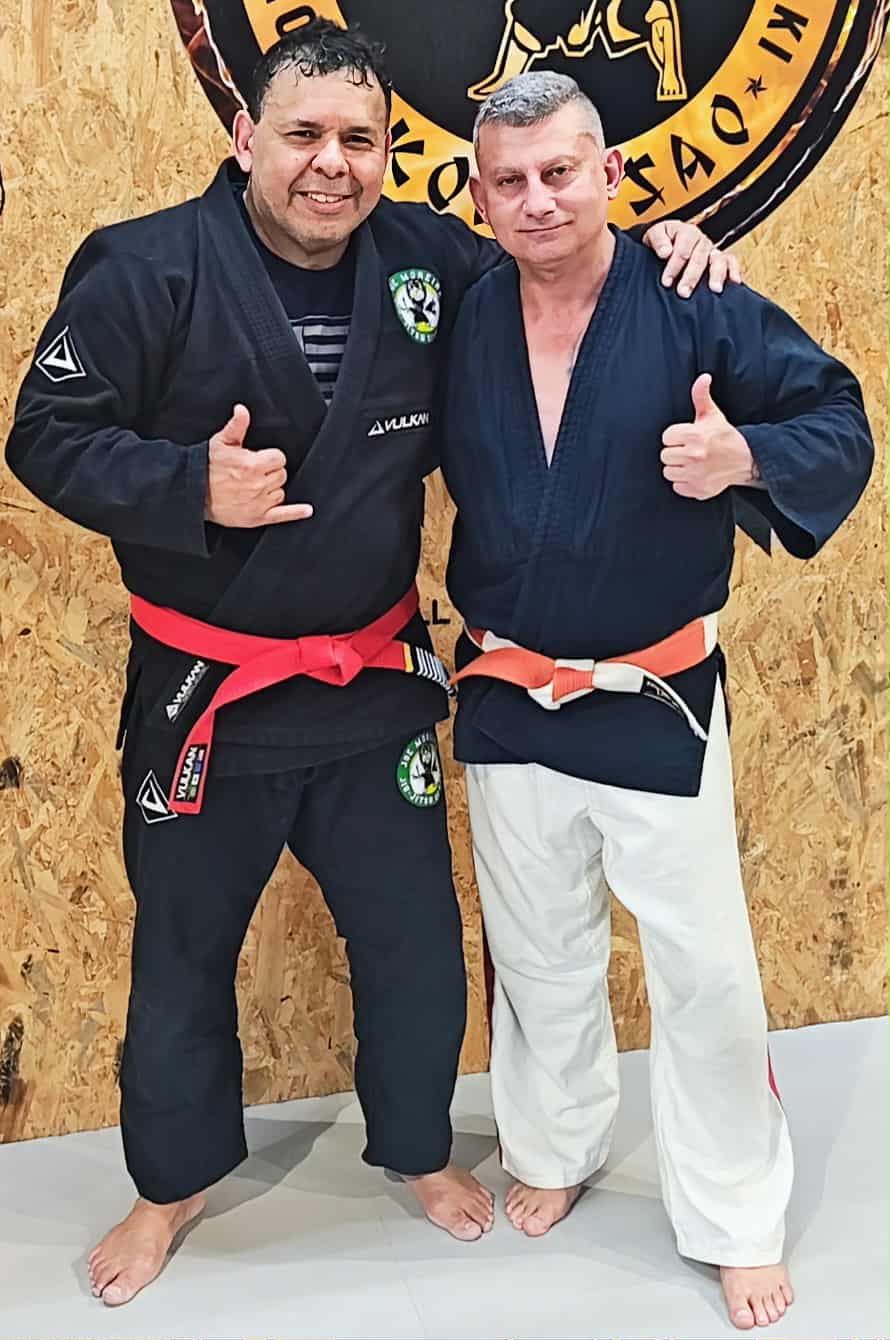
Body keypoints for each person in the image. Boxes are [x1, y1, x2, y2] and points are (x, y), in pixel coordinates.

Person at [5, 19, 737, 1308]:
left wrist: (671, 250)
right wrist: (185, 484)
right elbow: (44, 434)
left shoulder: (430, 259)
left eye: (360, 139)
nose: (331, 163)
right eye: (302, 134)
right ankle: (167, 1187)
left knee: (414, 952)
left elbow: (561, 262)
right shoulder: (144, 266)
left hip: (375, 685)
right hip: (208, 700)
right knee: (182, 954)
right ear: (246, 137)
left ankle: (414, 1148)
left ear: (391, 152)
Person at [440, 72, 872, 1331]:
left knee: (703, 972)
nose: (538, 199)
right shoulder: (460, 310)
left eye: (561, 171)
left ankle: (736, 1214)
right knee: (539, 952)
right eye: (511, 180)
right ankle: (556, 1143)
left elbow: (838, 414)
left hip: (656, 688)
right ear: (480, 197)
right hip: (510, 686)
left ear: (613, 174)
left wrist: (748, 456)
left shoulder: (693, 297)